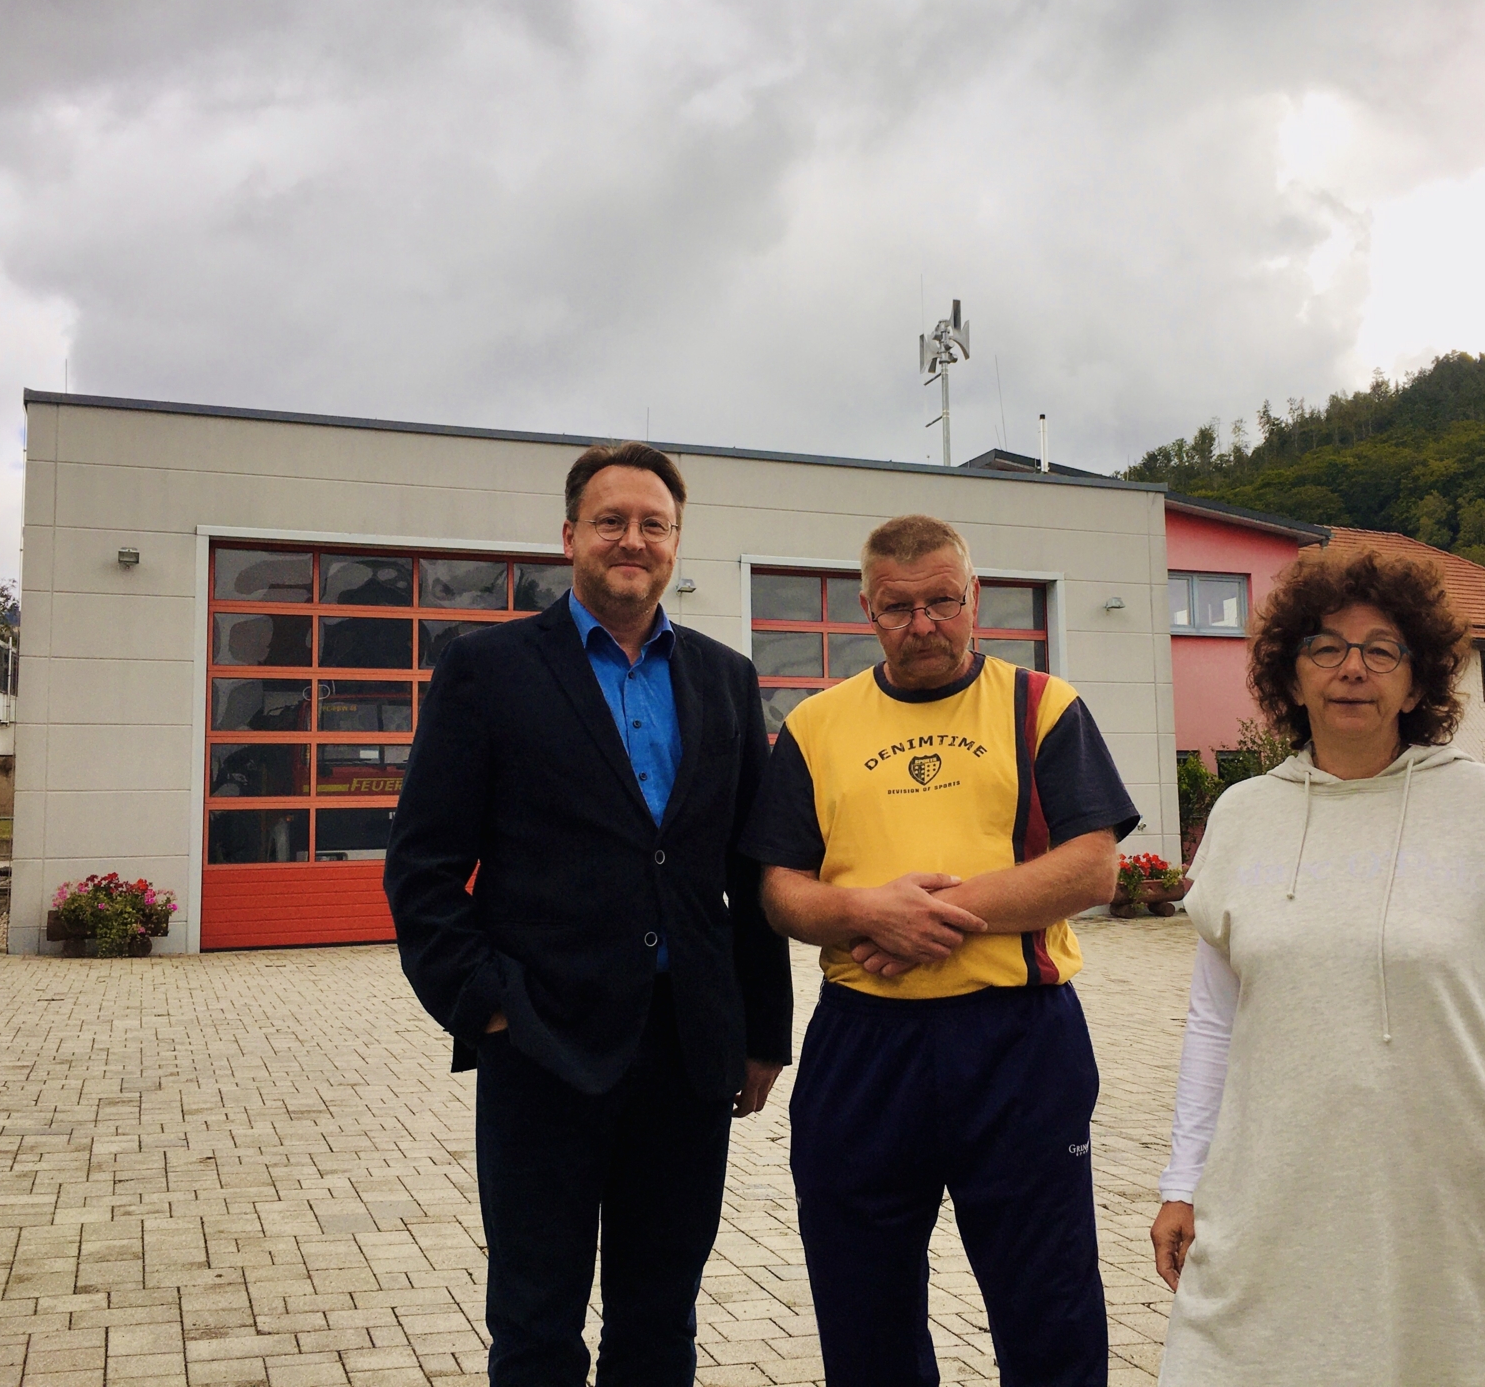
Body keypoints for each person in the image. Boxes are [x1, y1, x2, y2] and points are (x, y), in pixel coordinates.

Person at [1149, 549, 1485, 1386]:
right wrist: (1183, 1180)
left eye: (1382, 649)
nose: (1352, 669)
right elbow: (1214, 1023)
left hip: (1451, 1202)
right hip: (1272, 1198)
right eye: (1325, 647)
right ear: (1290, 678)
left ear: (1416, 679)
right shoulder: (1244, 816)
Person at [385, 442, 793, 1386]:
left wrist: (760, 1031)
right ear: (569, 535)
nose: (633, 540)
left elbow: (750, 870)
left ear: (676, 544)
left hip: (687, 1056)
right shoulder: (487, 671)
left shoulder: (726, 680)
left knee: (660, 1319)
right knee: (535, 1322)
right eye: (612, 521)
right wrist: (487, 1006)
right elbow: (424, 863)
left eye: (654, 524)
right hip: (544, 1046)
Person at [742, 513, 1141, 1387]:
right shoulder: (814, 725)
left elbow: (1092, 867)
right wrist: (862, 912)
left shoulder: (1043, 705)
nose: (922, 624)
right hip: (863, 1047)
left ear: (975, 599)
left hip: (1018, 1042)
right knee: (863, 1308)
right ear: (866, 610)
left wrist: (929, 917)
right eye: (898, 608)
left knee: (1049, 1303)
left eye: (941, 603)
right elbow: (777, 887)